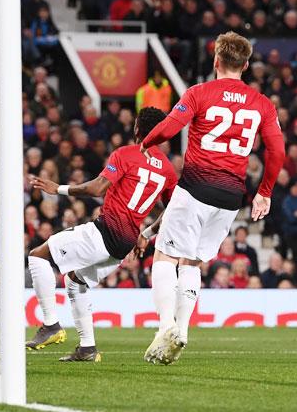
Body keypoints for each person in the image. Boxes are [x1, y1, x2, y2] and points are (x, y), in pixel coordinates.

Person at [137, 32, 285, 365]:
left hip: (195, 188)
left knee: (164, 257)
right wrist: (264, 193)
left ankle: (165, 327)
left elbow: (170, 128)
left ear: (216, 60)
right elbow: (277, 151)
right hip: (231, 196)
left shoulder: (199, 92)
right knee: (192, 263)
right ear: (245, 66)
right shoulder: (262, 103)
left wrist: (145, 143)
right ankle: (184, 330)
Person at [26, 107, 177, 362]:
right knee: (75, 280)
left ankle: (51, 324)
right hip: (125, 243)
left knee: (37, 256)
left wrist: (58, 188)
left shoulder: (126, 154)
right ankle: (87, 348)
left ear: (137, 129)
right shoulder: (168, 170)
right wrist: (147, 234)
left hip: (105, 232)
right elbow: (173, 211)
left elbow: (97, 187)